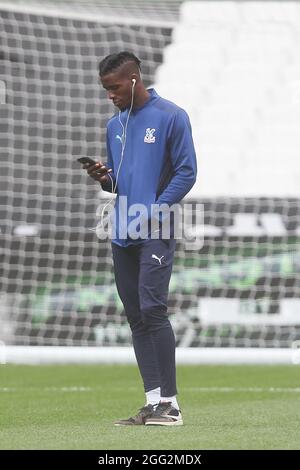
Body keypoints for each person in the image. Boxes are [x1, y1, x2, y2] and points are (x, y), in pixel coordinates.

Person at [84, 51, 197, 426]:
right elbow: (120, 183)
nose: (109, 96)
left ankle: (172, 405)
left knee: (153, 309)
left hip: (157, 228)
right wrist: (104, 178)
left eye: (113, 88)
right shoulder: (113, 125)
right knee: (135, 316)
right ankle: (152, 403)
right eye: (105, 89)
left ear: (133, 80)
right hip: (122, 230)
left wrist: (156, 208)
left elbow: (187, 172)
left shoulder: (171, 117)